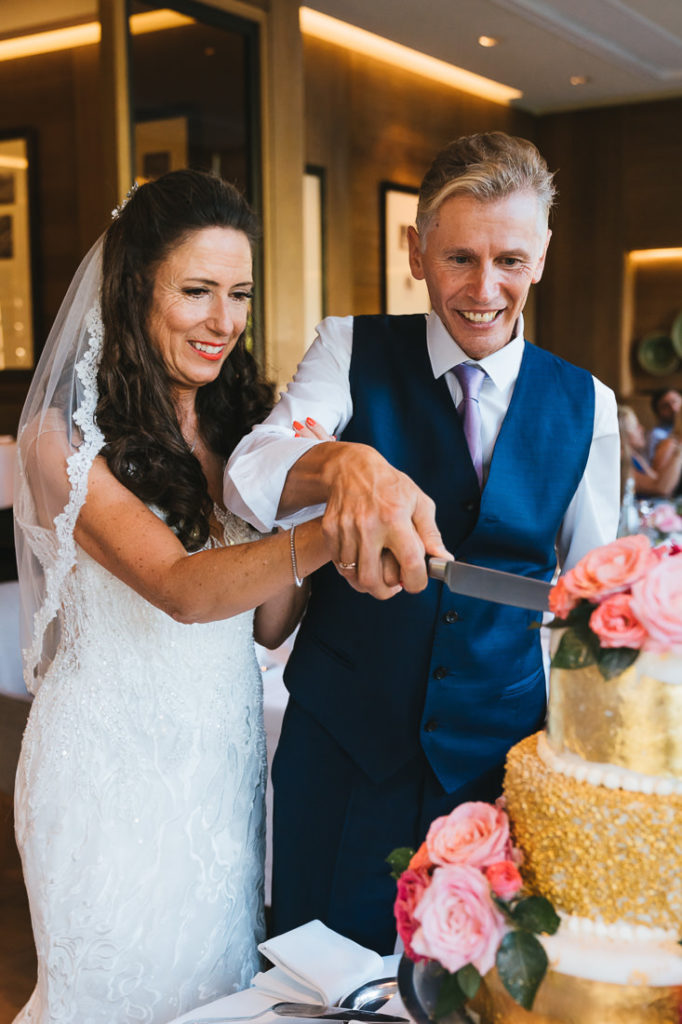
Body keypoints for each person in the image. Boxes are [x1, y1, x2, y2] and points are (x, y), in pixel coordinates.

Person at [225, 131, 620, 954]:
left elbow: (590, 610)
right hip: (340, 758)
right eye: (459, 259)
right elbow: (250, 473)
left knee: (466, 992)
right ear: (415, 251)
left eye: (510, 260)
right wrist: (342, 461)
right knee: (311, 982)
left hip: (492, 777)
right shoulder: (347, 349)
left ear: (542, 256)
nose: (484, 289)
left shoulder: (589, 404)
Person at [12, 169, 333, 1024]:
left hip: (218, 768)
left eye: (238, 294)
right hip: (106, 775)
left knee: (215, 995)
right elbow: (181, 591)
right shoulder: (59, 443)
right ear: (132, 292)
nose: (223, 321)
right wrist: (328, 534)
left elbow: (266, 623)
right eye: (195, 291)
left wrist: (311, 493)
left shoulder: (244, 429)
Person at [618, 403, 682, 498]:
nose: (641, 429)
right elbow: (661, 488)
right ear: (621, 432)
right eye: (635, 426)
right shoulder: (620, 459)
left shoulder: (634, 456)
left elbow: (656, 479)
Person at [647, 387, 682, 461]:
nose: (673, 409)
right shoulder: (657, 435)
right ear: (657, 413)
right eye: (666, 406)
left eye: (675, 402)